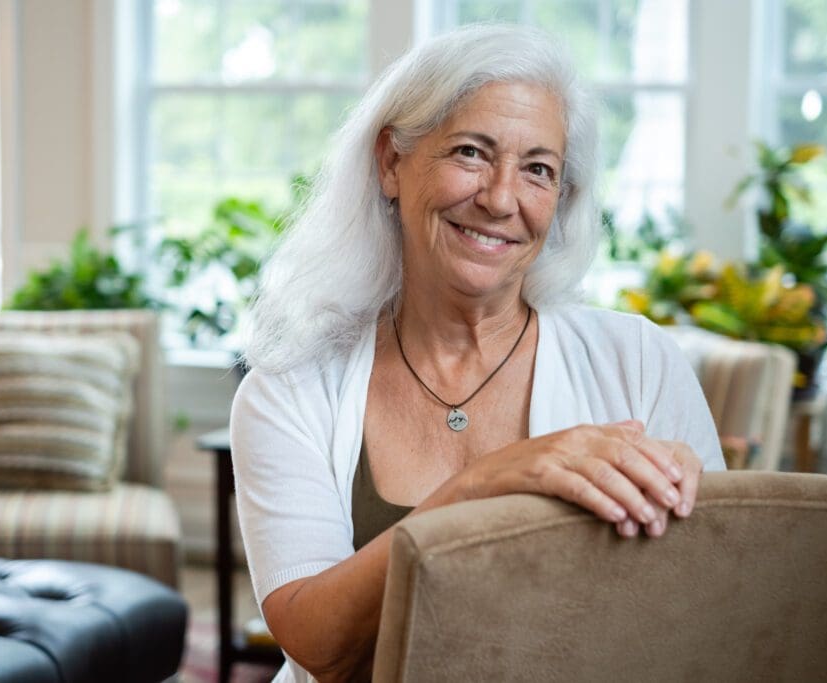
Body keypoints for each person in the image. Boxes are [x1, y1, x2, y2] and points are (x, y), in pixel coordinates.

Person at [231, 23, 725, 683]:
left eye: (537, 170)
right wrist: (484, 484)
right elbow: (315, 646)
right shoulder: (291, 387)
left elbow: (714, 606)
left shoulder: (637, 361)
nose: (499, 198)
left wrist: (695, 517)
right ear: (390, 163)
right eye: (470, 151)